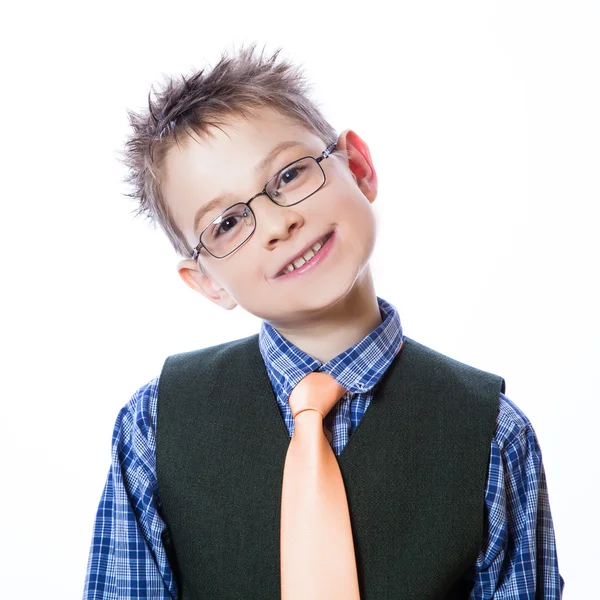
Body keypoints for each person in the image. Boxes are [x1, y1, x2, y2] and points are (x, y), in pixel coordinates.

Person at [83, 44, 564, 599]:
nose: (278, 224)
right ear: (208, 281)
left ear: (358, 168)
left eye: (288, 175)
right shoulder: (153, 427)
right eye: (227, 222)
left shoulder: (494, 436)